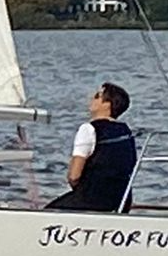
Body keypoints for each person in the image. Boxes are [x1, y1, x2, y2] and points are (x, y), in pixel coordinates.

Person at [46, 82, 137, 212]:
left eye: (97, 96)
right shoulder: (126, 132)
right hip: (122, 200)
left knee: (47, 212)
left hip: (93, 199)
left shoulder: (88, 129)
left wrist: (81, 191)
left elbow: (74, 176)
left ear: (107, 104)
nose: (91, 99)